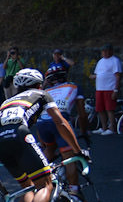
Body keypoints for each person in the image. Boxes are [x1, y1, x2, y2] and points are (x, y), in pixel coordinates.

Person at [0, 68, 84, 202]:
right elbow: (61, 123)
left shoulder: (7, 102)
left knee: (27, 185)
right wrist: (77, 150)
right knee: (45, 183)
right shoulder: (42, 94)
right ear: (39, 85)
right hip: (18, 134)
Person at [37, 65, 89, 193]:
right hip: (60, 121)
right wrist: (84, 132)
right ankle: (74, 191)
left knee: (49, 151)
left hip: (41, 123)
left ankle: (37, 183)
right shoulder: (74, 86)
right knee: (68, 157)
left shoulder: (45, 92)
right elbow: (82, 114)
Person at [89, 44, 122, 135]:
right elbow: (100, 74)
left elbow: (118, 76)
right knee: (100, 109)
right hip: (100, 88)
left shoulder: (115, 61)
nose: (105, 52)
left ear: (111, 51)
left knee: (109, 109)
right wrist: (94, 76)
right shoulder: (100, 61)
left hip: (109, 88)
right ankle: (104, 127)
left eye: (107, 51)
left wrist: (116, 90)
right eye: (103, 51)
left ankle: (112, 128)